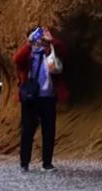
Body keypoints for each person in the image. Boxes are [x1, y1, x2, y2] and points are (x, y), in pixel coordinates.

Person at [13, 22, 64, 172]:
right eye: (37, 36)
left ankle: (47, 163)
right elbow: (17, 59)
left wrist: (50, 40)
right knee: (27, 130)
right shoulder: (28, 53)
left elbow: (63, 51)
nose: (39, 39)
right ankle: (24, 163)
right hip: (31, 96)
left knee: (49, 130)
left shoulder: (50, 50)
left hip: (48, 96)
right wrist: (29, 43)